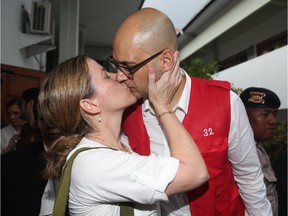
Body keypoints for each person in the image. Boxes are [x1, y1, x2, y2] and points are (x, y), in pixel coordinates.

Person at [109, 8, 272, 215]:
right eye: (116, 64)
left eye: (127, 66)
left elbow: (249, 176)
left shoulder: (225, 103)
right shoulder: (125, 110)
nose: (119, 76)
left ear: (166, 61)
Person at [37, 54, 208, 215]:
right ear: (90, 105)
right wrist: (161, 104)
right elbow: (195, 173)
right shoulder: (95, 164)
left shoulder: (121, 144)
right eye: (106, 76)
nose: (118, 76)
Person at [1, 112, 62, 215]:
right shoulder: (12, 164)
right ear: (37, 121)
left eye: (57, 116)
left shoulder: (86, 160)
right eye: (43, 118)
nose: (50, 124)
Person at [240, 87, 281, 216]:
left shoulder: (257, 147)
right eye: (265, 114)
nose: (273, 121)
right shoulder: (240, 153)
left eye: (274, 114)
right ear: (244, 116)